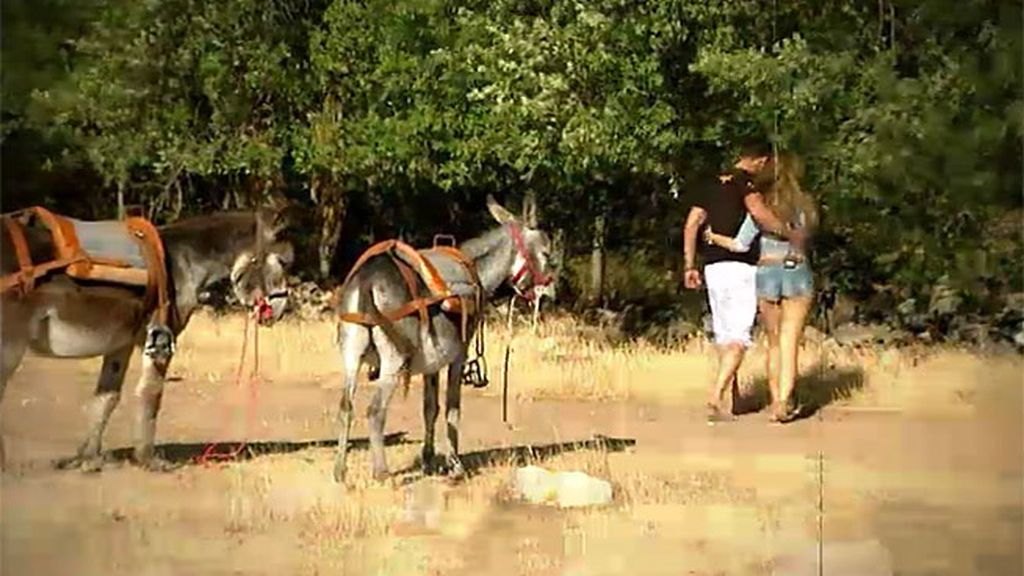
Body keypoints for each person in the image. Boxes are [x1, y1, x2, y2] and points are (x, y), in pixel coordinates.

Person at [683, 142, 804, 423]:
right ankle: (715, 398)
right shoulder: (746, 185)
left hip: (713, 268)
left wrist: (689, 265)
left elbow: (691, 224)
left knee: (725, 336)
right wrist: (788, 232)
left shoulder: (710, 184)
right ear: (759, 160)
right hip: (741, 267)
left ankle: (734, 400)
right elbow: (759, 215)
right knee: (739, 338)